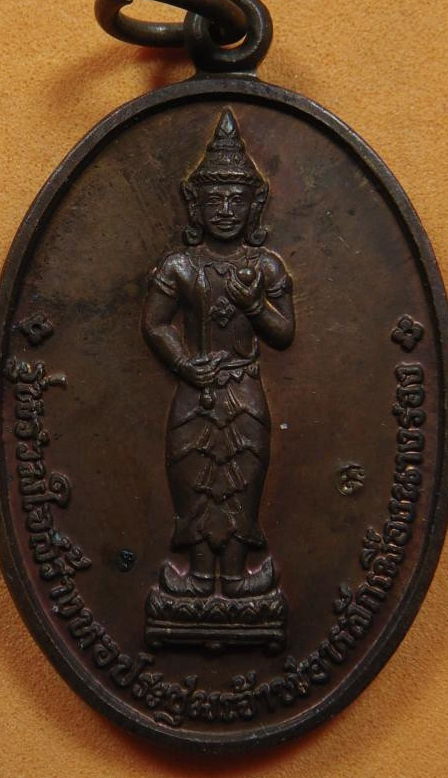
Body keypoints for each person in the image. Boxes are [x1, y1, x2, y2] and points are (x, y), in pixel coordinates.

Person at [142, 108, 295, 598]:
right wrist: (183, 363)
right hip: (195, 391)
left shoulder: (266, 267)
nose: (225, 210)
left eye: (236, 199)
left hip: (245, 390)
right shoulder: (180, 266)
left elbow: (284, 333)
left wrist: (256, 306)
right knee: (193, 476)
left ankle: (235, 578)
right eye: (214, 200)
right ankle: (198, 577)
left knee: (243, 475)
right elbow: (155, 324)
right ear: (196, 207)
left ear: (254, 206)